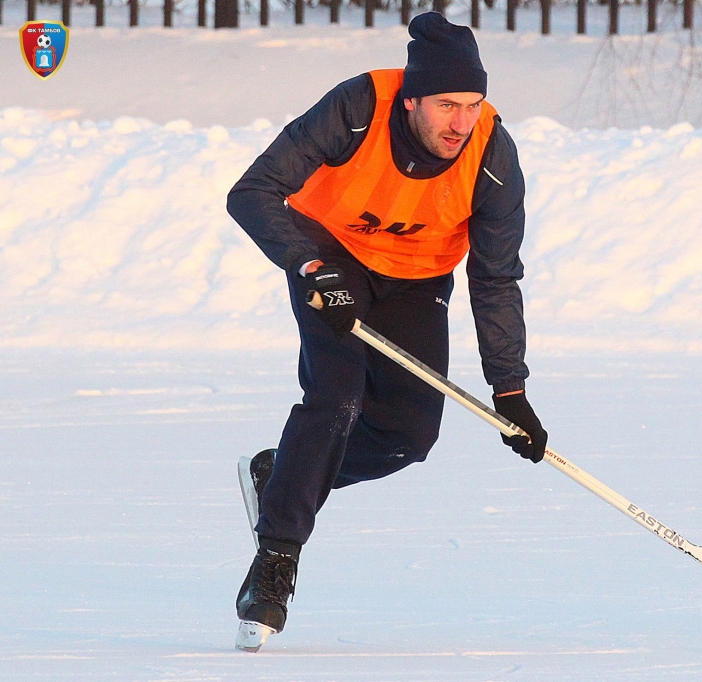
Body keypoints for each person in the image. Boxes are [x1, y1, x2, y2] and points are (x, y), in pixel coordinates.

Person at [226, 12, 548, 652]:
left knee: (409, 434)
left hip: (418, 276)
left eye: (473, 105)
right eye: (447, 105)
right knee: (337, 395)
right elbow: (253, 190)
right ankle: (275, 562)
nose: (462, 122)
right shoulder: (356, 107)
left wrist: (509, 389)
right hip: (329, 253)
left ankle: (280, 473)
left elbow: (494, 277)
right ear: (411, 100)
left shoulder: (492, 155)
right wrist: (313, 268)